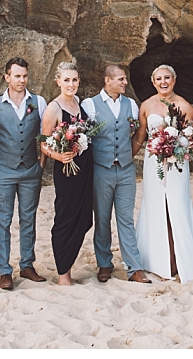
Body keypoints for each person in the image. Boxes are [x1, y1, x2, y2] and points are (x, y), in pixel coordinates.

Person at [133, 64, 193, 283]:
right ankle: (157, 260)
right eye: (159, 79)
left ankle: (179, 258)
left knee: (177, 206)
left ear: (174, 80)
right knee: (155, 206)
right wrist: (124, 158)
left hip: (177, 165)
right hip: (153, 165)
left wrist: (176, 147)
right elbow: (140, 137)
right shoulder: (147, 105)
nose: (163, 82)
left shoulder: (184, 106)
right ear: (153, 82)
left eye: (167, 78)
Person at [80, 64, 151, 284]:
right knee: (102, 219)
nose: (125, 82)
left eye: (124, 79)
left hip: (126, 171)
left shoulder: (131, 104)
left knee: (126, 219)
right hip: (101, 170)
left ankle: (134, 267)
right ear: (107, 80)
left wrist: (128, 155)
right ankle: (104, 264)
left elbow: (138, 133)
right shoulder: (89, 105)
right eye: (120, 79)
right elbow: (84, 138)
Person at [0, 57, 48, 291]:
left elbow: (45, 135)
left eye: (25, 76)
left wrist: (41, 165)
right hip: (4, 171)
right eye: (17, 76)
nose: (22, 80)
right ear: (7, 77)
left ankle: (27, 265)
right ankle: (4, 270)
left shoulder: (38, 102)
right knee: (3, 220)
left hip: (31, 170)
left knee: (28, 218)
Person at [40, 62, 94, 286]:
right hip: (66, 169)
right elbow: (43, 143)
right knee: (65, 218)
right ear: (58, 81)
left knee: (84, 218)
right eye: (66, 80)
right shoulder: (53, 108)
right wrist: (59, 156)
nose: (71, 84)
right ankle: (64, 274)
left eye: (74, 80)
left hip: (85, 168)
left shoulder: (79, 104)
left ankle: (68, 266)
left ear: (79, 81)